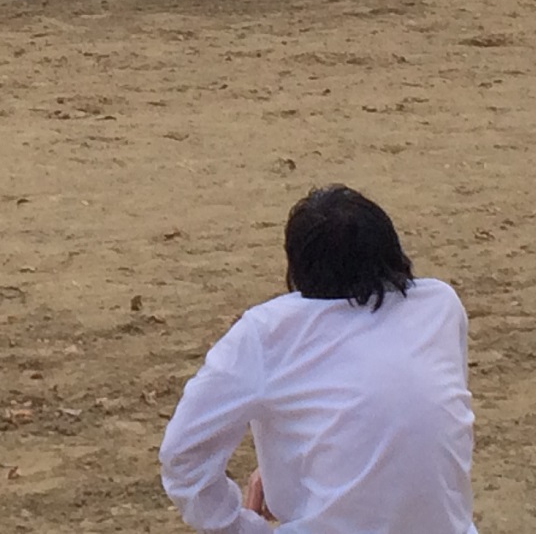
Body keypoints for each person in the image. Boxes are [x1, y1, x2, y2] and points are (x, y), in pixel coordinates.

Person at [159, 186, 474, 533]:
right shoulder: (439, 306)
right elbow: (410, 416)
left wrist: (238, 526)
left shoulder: (267, 333)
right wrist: (285, 469)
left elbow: (182, 456)